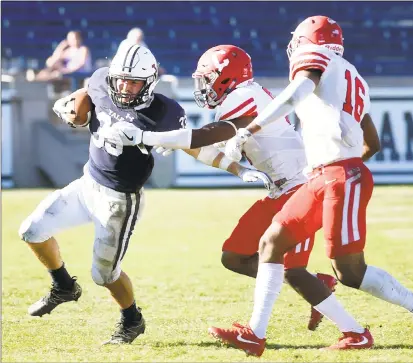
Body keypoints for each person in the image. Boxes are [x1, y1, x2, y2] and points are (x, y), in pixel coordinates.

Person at [205, 16, 413, 356]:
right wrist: (343, 156)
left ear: (306, 42)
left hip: (338, 177)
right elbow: (372, 142)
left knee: (349, 270)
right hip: (323, 175)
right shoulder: (351, 77)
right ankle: (254, 335)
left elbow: (297, 92)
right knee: (272, 243)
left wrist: (251, 129)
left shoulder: (315, 61)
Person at [18, 44, 265, 345]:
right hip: (87, 184)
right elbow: (83, 99)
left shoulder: (163, 112)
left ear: (149, 82)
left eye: (133, 81)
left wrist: (238, 169)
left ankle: (132, 319)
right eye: (120, 79)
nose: (124, 87)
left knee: (104, 275)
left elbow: (196, 148)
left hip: (120, 200)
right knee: (31, 230)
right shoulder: (100, 81)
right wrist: (68, 105)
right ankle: (64, 286)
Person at [103, 44, 341, 332]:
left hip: (300, 187)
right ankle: (317, 284)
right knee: (234, 256)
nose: (202, 85)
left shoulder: (242, 95)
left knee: (292, 269)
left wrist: (151, 136)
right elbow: (216, 149)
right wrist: (172, 141)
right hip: (279, 190)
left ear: (225, 77)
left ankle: (349, 329)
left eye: (207, 78)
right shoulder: (241, 97)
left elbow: (207, 136)